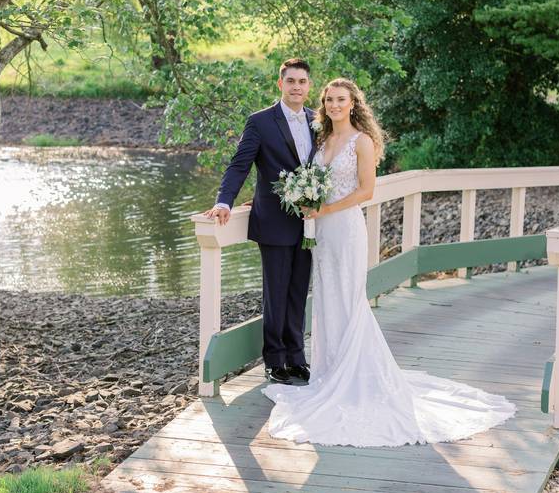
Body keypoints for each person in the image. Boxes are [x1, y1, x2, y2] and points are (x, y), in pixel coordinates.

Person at [261, 78, 516, 447]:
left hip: (345, 229)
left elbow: (366, 191)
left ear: (353, 104)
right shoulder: (322, 141)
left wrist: (324, 208)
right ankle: (330, 373)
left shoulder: (361, 142)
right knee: (329, 300)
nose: (334, 105)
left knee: (349, 299)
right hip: (322, 235)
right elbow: (305, 179)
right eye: (329, 99)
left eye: (341, 100)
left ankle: (354, 377)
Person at [204, 58, 317, 384]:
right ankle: (275, 360)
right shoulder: (260, 122)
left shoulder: (316, 121)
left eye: (302, 81)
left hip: (308, 223)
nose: (297, 86)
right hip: (274, 222)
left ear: (309, 86)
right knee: (276, 293)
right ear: (279, 84)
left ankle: (297, 357)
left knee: (298, 292)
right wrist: (224, 201)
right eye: (291, 81)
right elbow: (240, 165)